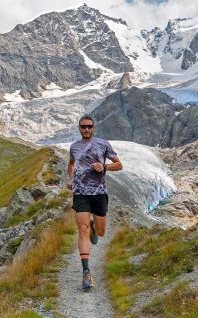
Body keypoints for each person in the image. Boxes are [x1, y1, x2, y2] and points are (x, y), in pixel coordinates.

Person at [67, 115, 123, 290]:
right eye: (83, 127)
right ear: (79, 128)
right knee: (82, 229)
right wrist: (70, 179)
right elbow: (71, 163)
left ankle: (94, 227)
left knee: (101, 231)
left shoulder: (103, 144)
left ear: (94, 128)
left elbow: (119, 164)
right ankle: (86, 272)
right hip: (80, 193)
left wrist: (104, 166)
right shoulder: (74, 147)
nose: (86, 129)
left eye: (89, 126)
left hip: (99, 193)